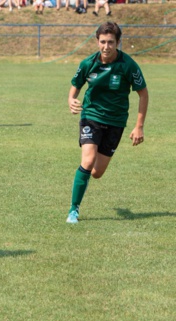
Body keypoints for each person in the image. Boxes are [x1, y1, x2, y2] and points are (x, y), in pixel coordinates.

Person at [66, 22, 148, 224]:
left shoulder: (128, 65)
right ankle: (73, 210)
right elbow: (75, 85)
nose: (106, 47)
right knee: (87, 160)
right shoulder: (88, 63)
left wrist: (139, 126)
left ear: (118, 43)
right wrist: (71, 99)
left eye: (111, 42)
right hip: (91, 116)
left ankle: (83, 178)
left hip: (116, 121)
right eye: (102, 42)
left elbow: (143, 94)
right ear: (97, 41)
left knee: (97, 173)